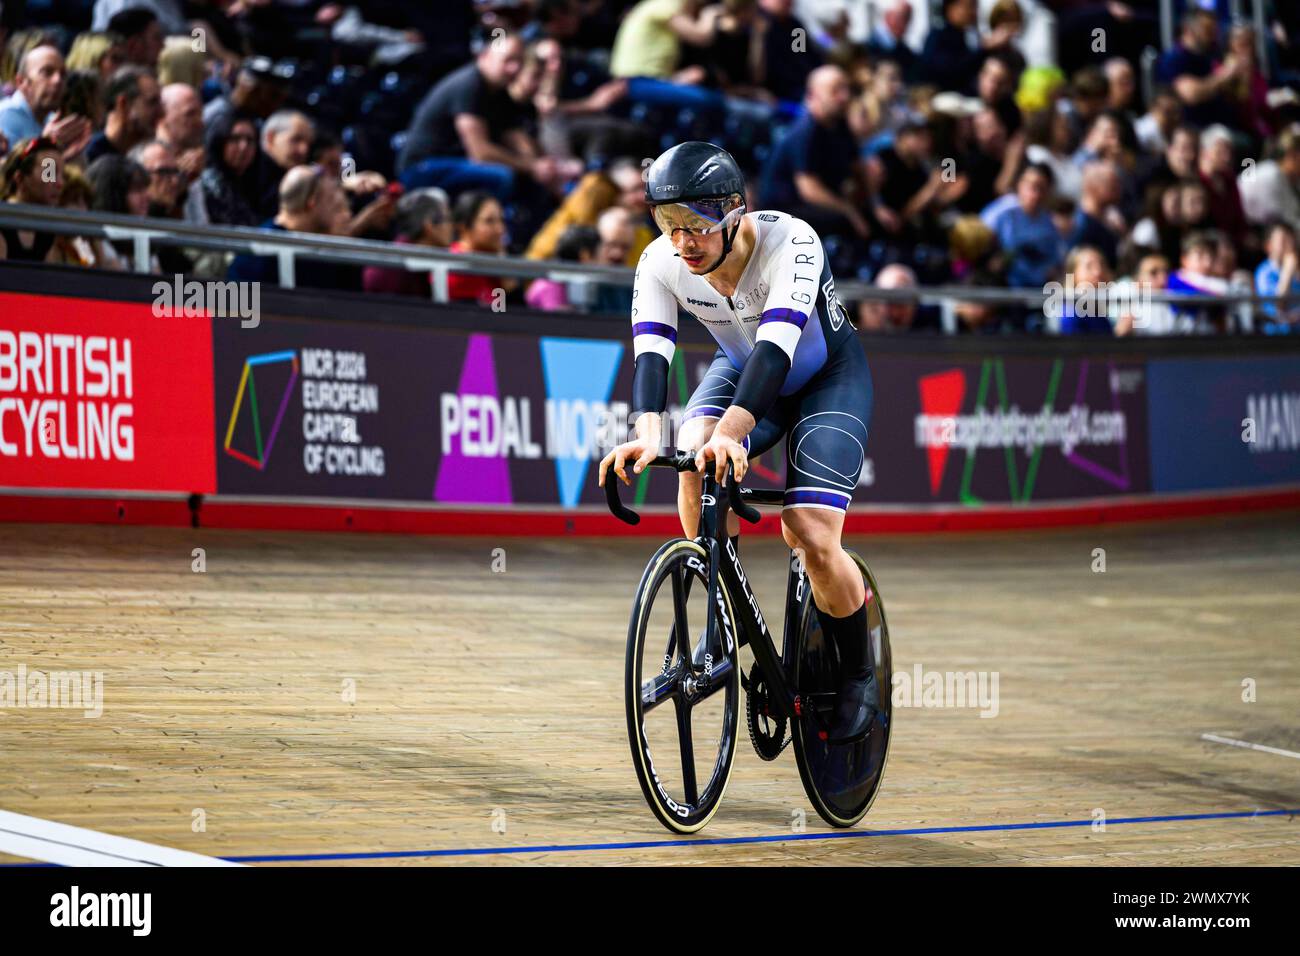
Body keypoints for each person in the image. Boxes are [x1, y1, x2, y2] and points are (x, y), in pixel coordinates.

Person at [597, 142, 879, 745]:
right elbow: (653, 353)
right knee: (691, 450)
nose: (682, 243)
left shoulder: (793, 242)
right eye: (669, 227)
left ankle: (858, 671)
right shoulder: (659, 263)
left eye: (695, 227)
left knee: (807, 530)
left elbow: (777, 352)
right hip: (745, 366)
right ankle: (721, 613)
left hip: (824, 378)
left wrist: (732, 434)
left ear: (734, 213)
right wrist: (648, 436)